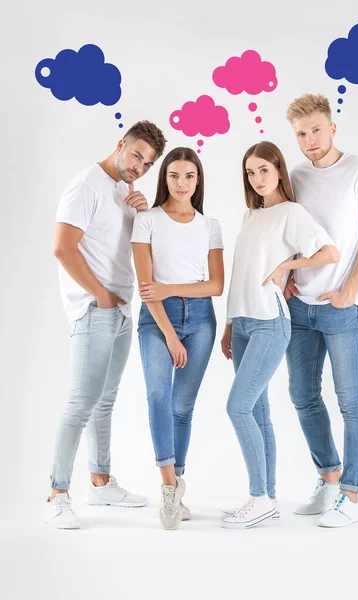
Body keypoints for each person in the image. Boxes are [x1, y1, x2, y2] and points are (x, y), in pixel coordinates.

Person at [43, 121, 167, 529]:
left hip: (121, 309)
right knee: (81, 403)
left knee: (104, 402)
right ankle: (57, 494)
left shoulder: (120, 191)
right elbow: (63, 247)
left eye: (148, 164)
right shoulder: (86, 185)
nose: (139, 168)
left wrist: (141, 214)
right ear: (120, 144)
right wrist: (98, 294)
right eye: (136, 156)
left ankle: (100, 481)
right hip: (93, 309)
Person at [220, 141, 339, 529]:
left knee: (237, 407)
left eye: (263, 171)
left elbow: (329, 253)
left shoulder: (291, 213)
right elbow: (241, 274)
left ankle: (257, 497)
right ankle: (266, 497)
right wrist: (229, 325)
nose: (257, 179)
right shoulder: (250, 215)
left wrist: (288, 264)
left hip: (271, 321)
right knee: (256, 410)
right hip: (243, 323)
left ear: (279, 171)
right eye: (250, 172)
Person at [284, 93, 358, 528]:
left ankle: (352, 495)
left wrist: (351, 289)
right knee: (302, 396)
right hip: (299, 307)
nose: (309, 140)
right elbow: (289, 229)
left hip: (345, 308)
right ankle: (329, 478)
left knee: (351, 401)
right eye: (300, 134)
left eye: (315, 130)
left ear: (332, 127)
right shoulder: (296, 175)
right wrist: (288, 273)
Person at [131, 147, 224, 530]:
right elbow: (146, 288)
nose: (181, 183)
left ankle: (178, 483)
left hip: (201, 320)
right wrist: (170, 335)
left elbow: (216, 286)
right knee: (158, 395)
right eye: (174, 175)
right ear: (164, 178)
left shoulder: (210, 226)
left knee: (182, 407)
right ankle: (169, 487)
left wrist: (171, 287)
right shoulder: (147, 220)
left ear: (198, 180)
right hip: (157, 321)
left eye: (189, 176)